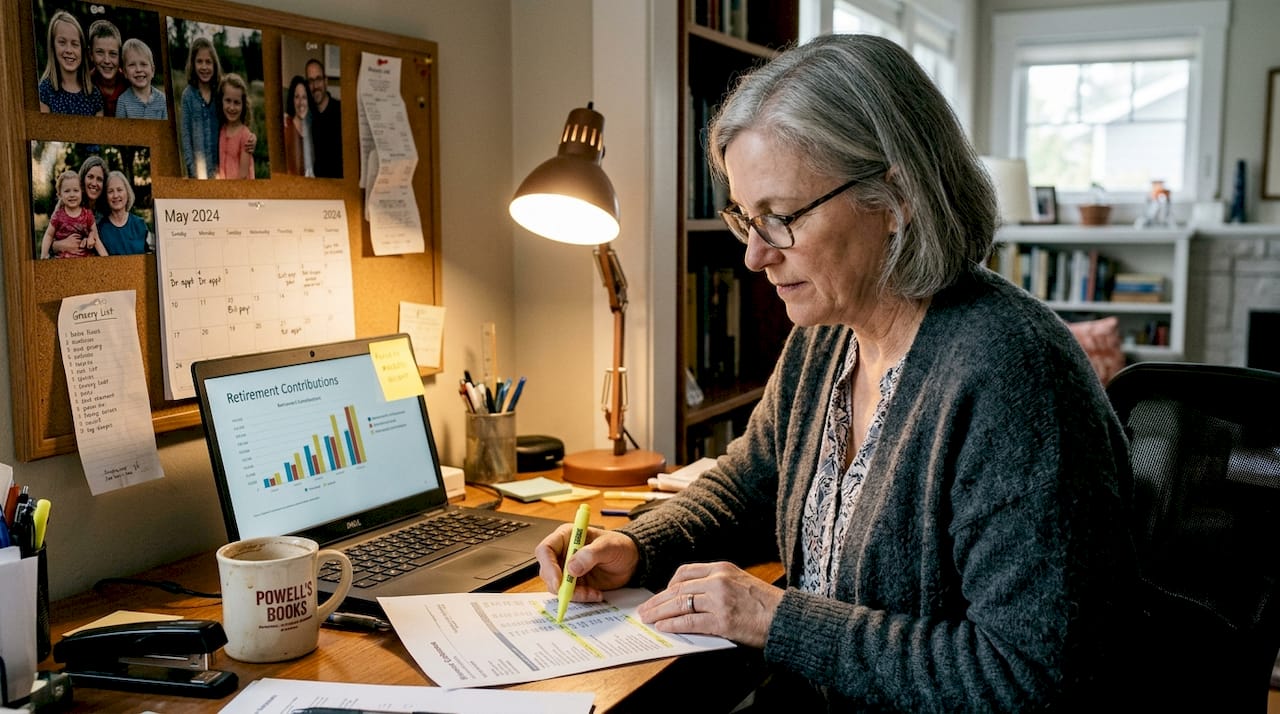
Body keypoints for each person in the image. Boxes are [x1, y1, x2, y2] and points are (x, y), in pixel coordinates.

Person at [535, 33, 1136, 711]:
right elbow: (749, 485)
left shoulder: (1014, 374)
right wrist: (636, 544)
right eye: (745, 218)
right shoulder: (827, 336)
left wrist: (777, 619)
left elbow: (1024, 676)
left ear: (895, 198)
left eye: (780, 217)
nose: (755, 256)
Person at [38, 10, 104, 116]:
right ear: (52, 47)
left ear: (82, 49)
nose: (69, 50)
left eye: (75, 44)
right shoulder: (44, 91)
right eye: (62, 42)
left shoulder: (94, 95)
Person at [179, 37, 221, 178]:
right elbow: (186, 138)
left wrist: (250, 138)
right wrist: (193, 172)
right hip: (198, 175)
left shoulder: (220, 93)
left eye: (208, 62)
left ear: (214, 65)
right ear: (193, 63)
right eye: (199, 61)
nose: (204, 67)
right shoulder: (188, 96)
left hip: (221, 172)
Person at [40, 170, 106, 258]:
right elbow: (49, 235)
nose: (72, 195)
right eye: (67, 191)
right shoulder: (58, 216)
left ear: (81, 192)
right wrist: (44, 255)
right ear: (60, 195)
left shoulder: (87, 215)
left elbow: (96, 238)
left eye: (76, 190)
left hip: (85, 261)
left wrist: (106, 259)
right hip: (63, 262)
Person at [97, 170, 150, 255]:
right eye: (110, 191)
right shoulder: (100, 229)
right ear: (105, 197)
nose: (115, 195)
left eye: (119, 190)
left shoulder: (140, 224)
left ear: (127, 192)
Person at [305, 58, 342, 178]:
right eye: (311, 81)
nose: (315, 86)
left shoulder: (341, 112)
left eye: (318, 79)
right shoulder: (307, 116)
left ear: (325, 81)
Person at [115, 38, 167, 119]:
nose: (138, 69)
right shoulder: (123, 101)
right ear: (125, 72)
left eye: (143, 64)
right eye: (132, 65)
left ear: (152, 70)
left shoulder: (163, 100)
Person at [216, 73, 254, 180]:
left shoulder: (245, 135)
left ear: (243, 105)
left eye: (237, 102)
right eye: (228, 101)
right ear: (221, 100)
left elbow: (243, 175)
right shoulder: (222, 129)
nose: (232, 107)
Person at [86, 19, 126, 118]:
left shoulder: (130, 84)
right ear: (91, 54)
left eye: (113, 53)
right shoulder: (84, 85)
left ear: (120, 56)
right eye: (100, 52)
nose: (107, 60)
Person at [283, 74, 315, 176]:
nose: (301, 102)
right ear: (292, 100)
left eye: (304, 97)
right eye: (297, 97)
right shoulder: (285, 126)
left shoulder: (313, 129)